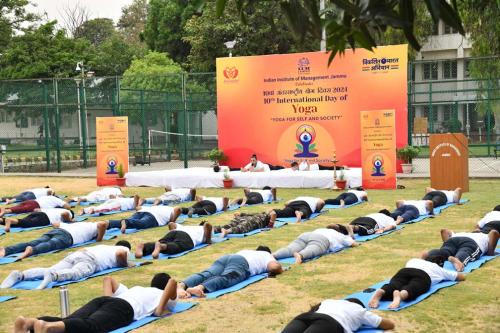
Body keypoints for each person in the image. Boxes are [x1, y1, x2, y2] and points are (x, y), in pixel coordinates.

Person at [13, 274, 178, 333]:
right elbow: (173, 281)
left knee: (69, 322)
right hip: (123, 308)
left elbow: (108, 279)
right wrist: (161, 309)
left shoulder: (135, 288)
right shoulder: (159, 294)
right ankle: (46, 327)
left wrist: (108, 302)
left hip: (105, 301)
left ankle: (29, 323)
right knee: (92, 327)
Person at [1, 240, 132, 290]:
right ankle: (55, 276)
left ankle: (21, 275)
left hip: (76, 254)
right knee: (76, 274)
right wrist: (126, 264)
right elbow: (121, 254)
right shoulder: (124, 249)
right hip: (91, 260)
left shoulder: (105, 246)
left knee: (49, 268)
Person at [177, 246, 283, 298]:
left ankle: (181, 286)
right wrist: (281, 269)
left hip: (228, 257)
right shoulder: (267, 255)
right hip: (241, 263)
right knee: (227, 277)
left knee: (207, 273)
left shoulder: (249, 251)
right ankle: (199, 288)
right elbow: (274, 267)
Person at [368, 256, 465, 309]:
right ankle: (400, 296)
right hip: (423, 276)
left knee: (394, 285)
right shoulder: (438, 269)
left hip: (405, 271)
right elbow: (460, 277)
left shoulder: (414, 260)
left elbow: (422, 254)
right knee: (413, 287)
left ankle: (381, 291)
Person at [0, 221, 108, 260]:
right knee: (50, 245)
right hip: (68, 236)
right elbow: (102, 224)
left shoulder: (79, 224)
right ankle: (32, 251)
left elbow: (55, 223)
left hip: (59, 230)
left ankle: (6, 250)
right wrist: (99, 238)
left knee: (33, 242)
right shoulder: (93, 226)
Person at [281, 298, 395, 333]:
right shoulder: (359, 310)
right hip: (328, 323)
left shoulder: (330, 301)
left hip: (304, 317)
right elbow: (389, 324)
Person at [422, 228, 499, 271]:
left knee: (444, 251)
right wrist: (490, 252)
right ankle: (457, 260)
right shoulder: (485, 235)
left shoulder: (463, 232)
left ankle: (429, 255)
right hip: (471, 242)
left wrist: (445, 243)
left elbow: (444, 231)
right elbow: (494, 232)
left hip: (453, 239)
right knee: (465, 252)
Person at [273, 226, 359, 264]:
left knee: (290, 249)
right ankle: (300, 255)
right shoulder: (341, 235)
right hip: (322, 239)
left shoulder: (322, 229)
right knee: (313, 249)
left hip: (306, 234)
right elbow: (354, 244)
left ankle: (274, 255)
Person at [135, 222, 213, 259]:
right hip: (188, 237)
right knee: (177, 246)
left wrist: (172, 232)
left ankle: (144, 246)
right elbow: (208, 225)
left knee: (161, 241)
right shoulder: (202, 229)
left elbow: (171, 224)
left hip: (175, 232)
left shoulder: (186, 226)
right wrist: (208, 240)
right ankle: (162, 247)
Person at [107, 205, 181, 234]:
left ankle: (107, 224)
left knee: (130, 223)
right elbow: (178, 209)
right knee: (141, 223)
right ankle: (125, 222)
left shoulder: (159, 206)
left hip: (143, 211)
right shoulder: (171, 210)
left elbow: (138, 207)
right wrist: (173, 221)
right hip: (155, 217)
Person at [330, 210, 398, 237]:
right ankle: (352, 227)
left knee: (346, 230)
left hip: (360, 219)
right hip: (372, 222)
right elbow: (392, 226)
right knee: (366, 231)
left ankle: (338, 226)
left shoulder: (374, 213)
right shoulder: (389, 218)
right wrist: (383, 230)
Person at [0, 208, 75, 232]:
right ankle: (8, 220)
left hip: (39, 213)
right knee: (25, 224)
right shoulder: (68, 212)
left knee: (20, 223)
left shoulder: (57, 209)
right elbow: (65, 214)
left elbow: (37, 209)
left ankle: (1, 220)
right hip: (45, 218)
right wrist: (70, 221)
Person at [0, 195, 71, 217]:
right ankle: (5, 211)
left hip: (31, 201)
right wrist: (63, 203)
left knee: (17, 207)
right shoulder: (57, 200)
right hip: (35, 205)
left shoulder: (48, 197)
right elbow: (67, 207)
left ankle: (4, 210)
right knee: (19, 209)